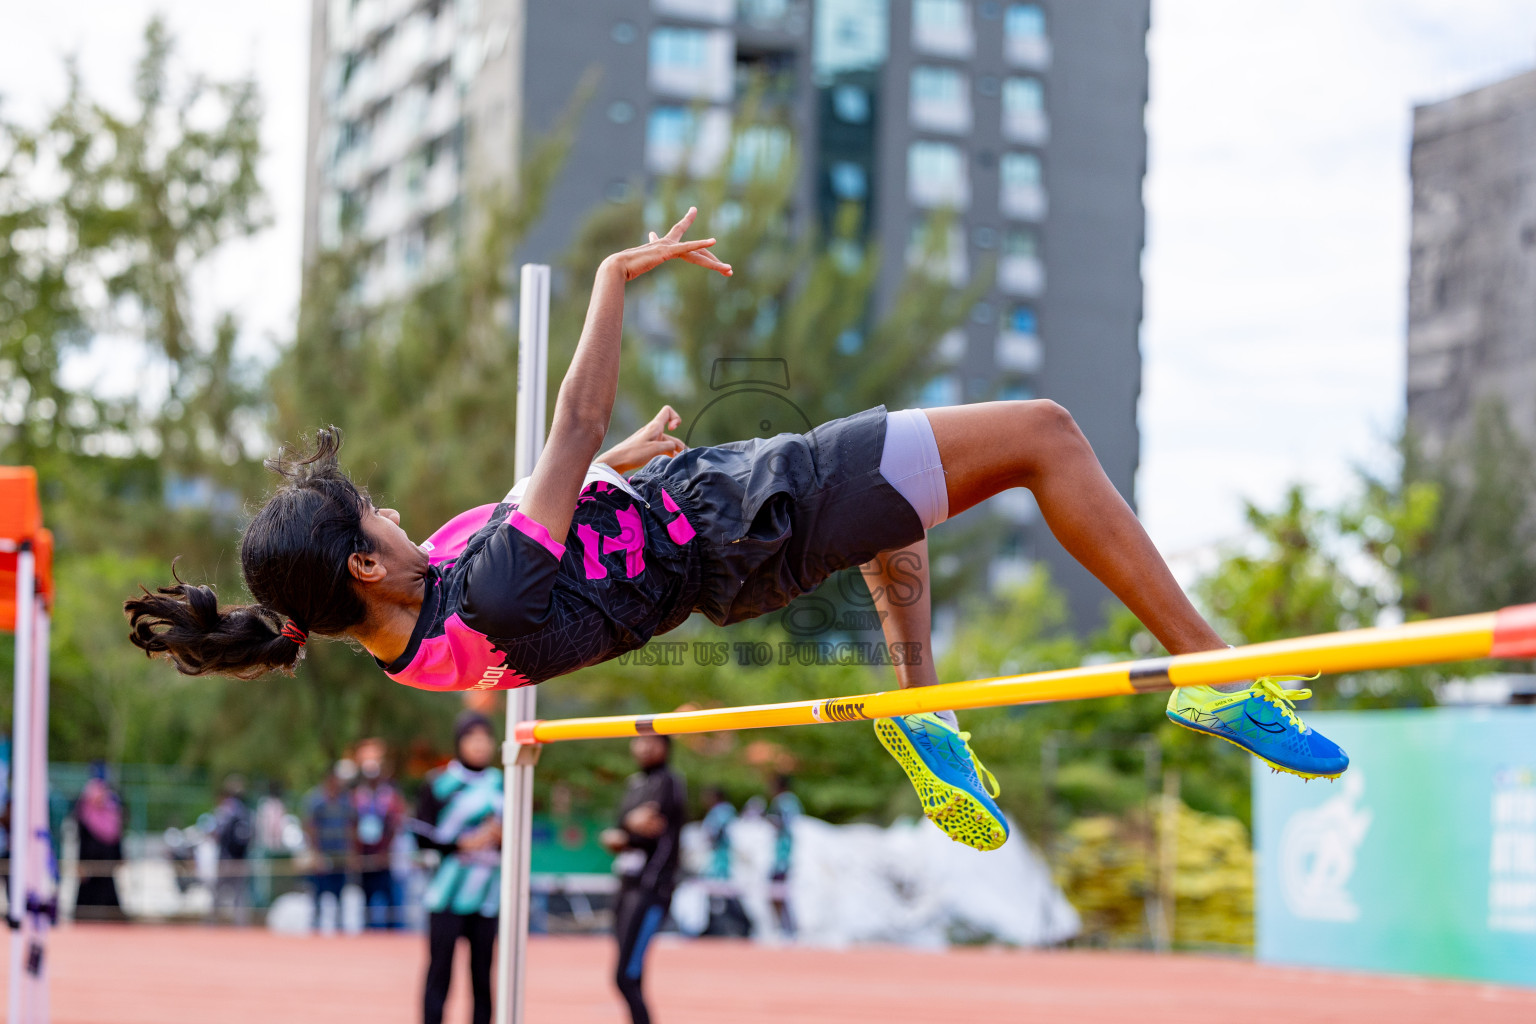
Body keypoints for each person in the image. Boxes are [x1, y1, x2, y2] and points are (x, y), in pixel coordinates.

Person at [124, 207, 1348, 856]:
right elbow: (566, 426)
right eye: (374, 514)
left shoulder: (424, 629)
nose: (390, 509)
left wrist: (612, 469)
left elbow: (549, 506)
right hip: (736, 519)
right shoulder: (479, 584)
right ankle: (1206, 668)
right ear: (361, 562)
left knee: (898, 528)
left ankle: (924, 718)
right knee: (1045, 430)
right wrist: (614, 277)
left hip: (714, 533)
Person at [410, 712, 503, 1024]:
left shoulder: (504, 784)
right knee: (440, 970)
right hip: (445, 894)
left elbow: (517, 840)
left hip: (488, 895)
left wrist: (500, 837)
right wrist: (461, 845)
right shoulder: (439, 784)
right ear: (459, 742)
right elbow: (422, 839)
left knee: (482, 975)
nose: (479, 745)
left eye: (485, 738)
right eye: (471, 738)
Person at [600, 735, 685, 1024]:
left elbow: (649, 825)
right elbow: (625, 828)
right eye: (640, 740)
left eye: (653, 741)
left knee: (626, 975)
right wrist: (625, 829)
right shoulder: (635, 783)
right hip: (627, 885)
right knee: (630, 976)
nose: (645, 746)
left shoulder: (669, 782)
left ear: (666, 745)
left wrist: (628, 830)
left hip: (651, 889)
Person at [351, 738, 405, 929]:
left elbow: (395, 824)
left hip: (387, 858)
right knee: (367, 902)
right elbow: (352, 824)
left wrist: (387, 852)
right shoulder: (357, 794)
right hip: (365, 856)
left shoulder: (390, 794)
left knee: (392, 901)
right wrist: (356, 854)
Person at [302, 764, 355, 933]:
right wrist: (316, 853)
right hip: (322, 854)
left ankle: (339, 926)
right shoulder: (315, 799)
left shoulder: (345, 800)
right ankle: (316, 926)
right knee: (318, 893)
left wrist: (350, 851)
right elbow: (310, 826)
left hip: (339, 854)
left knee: (339, 893)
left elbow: (351, 826)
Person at [72, 766, 125, 921]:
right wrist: (80, 863)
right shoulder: (85, 811)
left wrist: (120, 856)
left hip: (107, 863)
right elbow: (81, 839)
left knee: (108, 900)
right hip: (90, 864)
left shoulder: (112, 809)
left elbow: (117, 836)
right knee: (87, 901)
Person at [698, 785, 749, 938]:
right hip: (719, 860)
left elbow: (715, 833)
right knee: (718, 894)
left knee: (723, 892)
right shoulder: (727, 811)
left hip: (721, 861)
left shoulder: (721, 812)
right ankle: (716, 924)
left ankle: (737, 925)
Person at [210, 774, 254, 925]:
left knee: (218, 894)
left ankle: (212, 924)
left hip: (226, 858)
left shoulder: (226, 809)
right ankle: (240, 926)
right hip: (241, 859)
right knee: (240, 895)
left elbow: (216, 831)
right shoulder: (246, 811)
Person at [765, 775, 801, 938]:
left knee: (777, 892)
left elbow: (783, 825)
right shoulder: (793, 802)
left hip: (783, 857)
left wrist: (766, 819)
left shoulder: (782, 802)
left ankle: (785, 928)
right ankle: (788, 928)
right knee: (782, 892)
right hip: (787, 855)